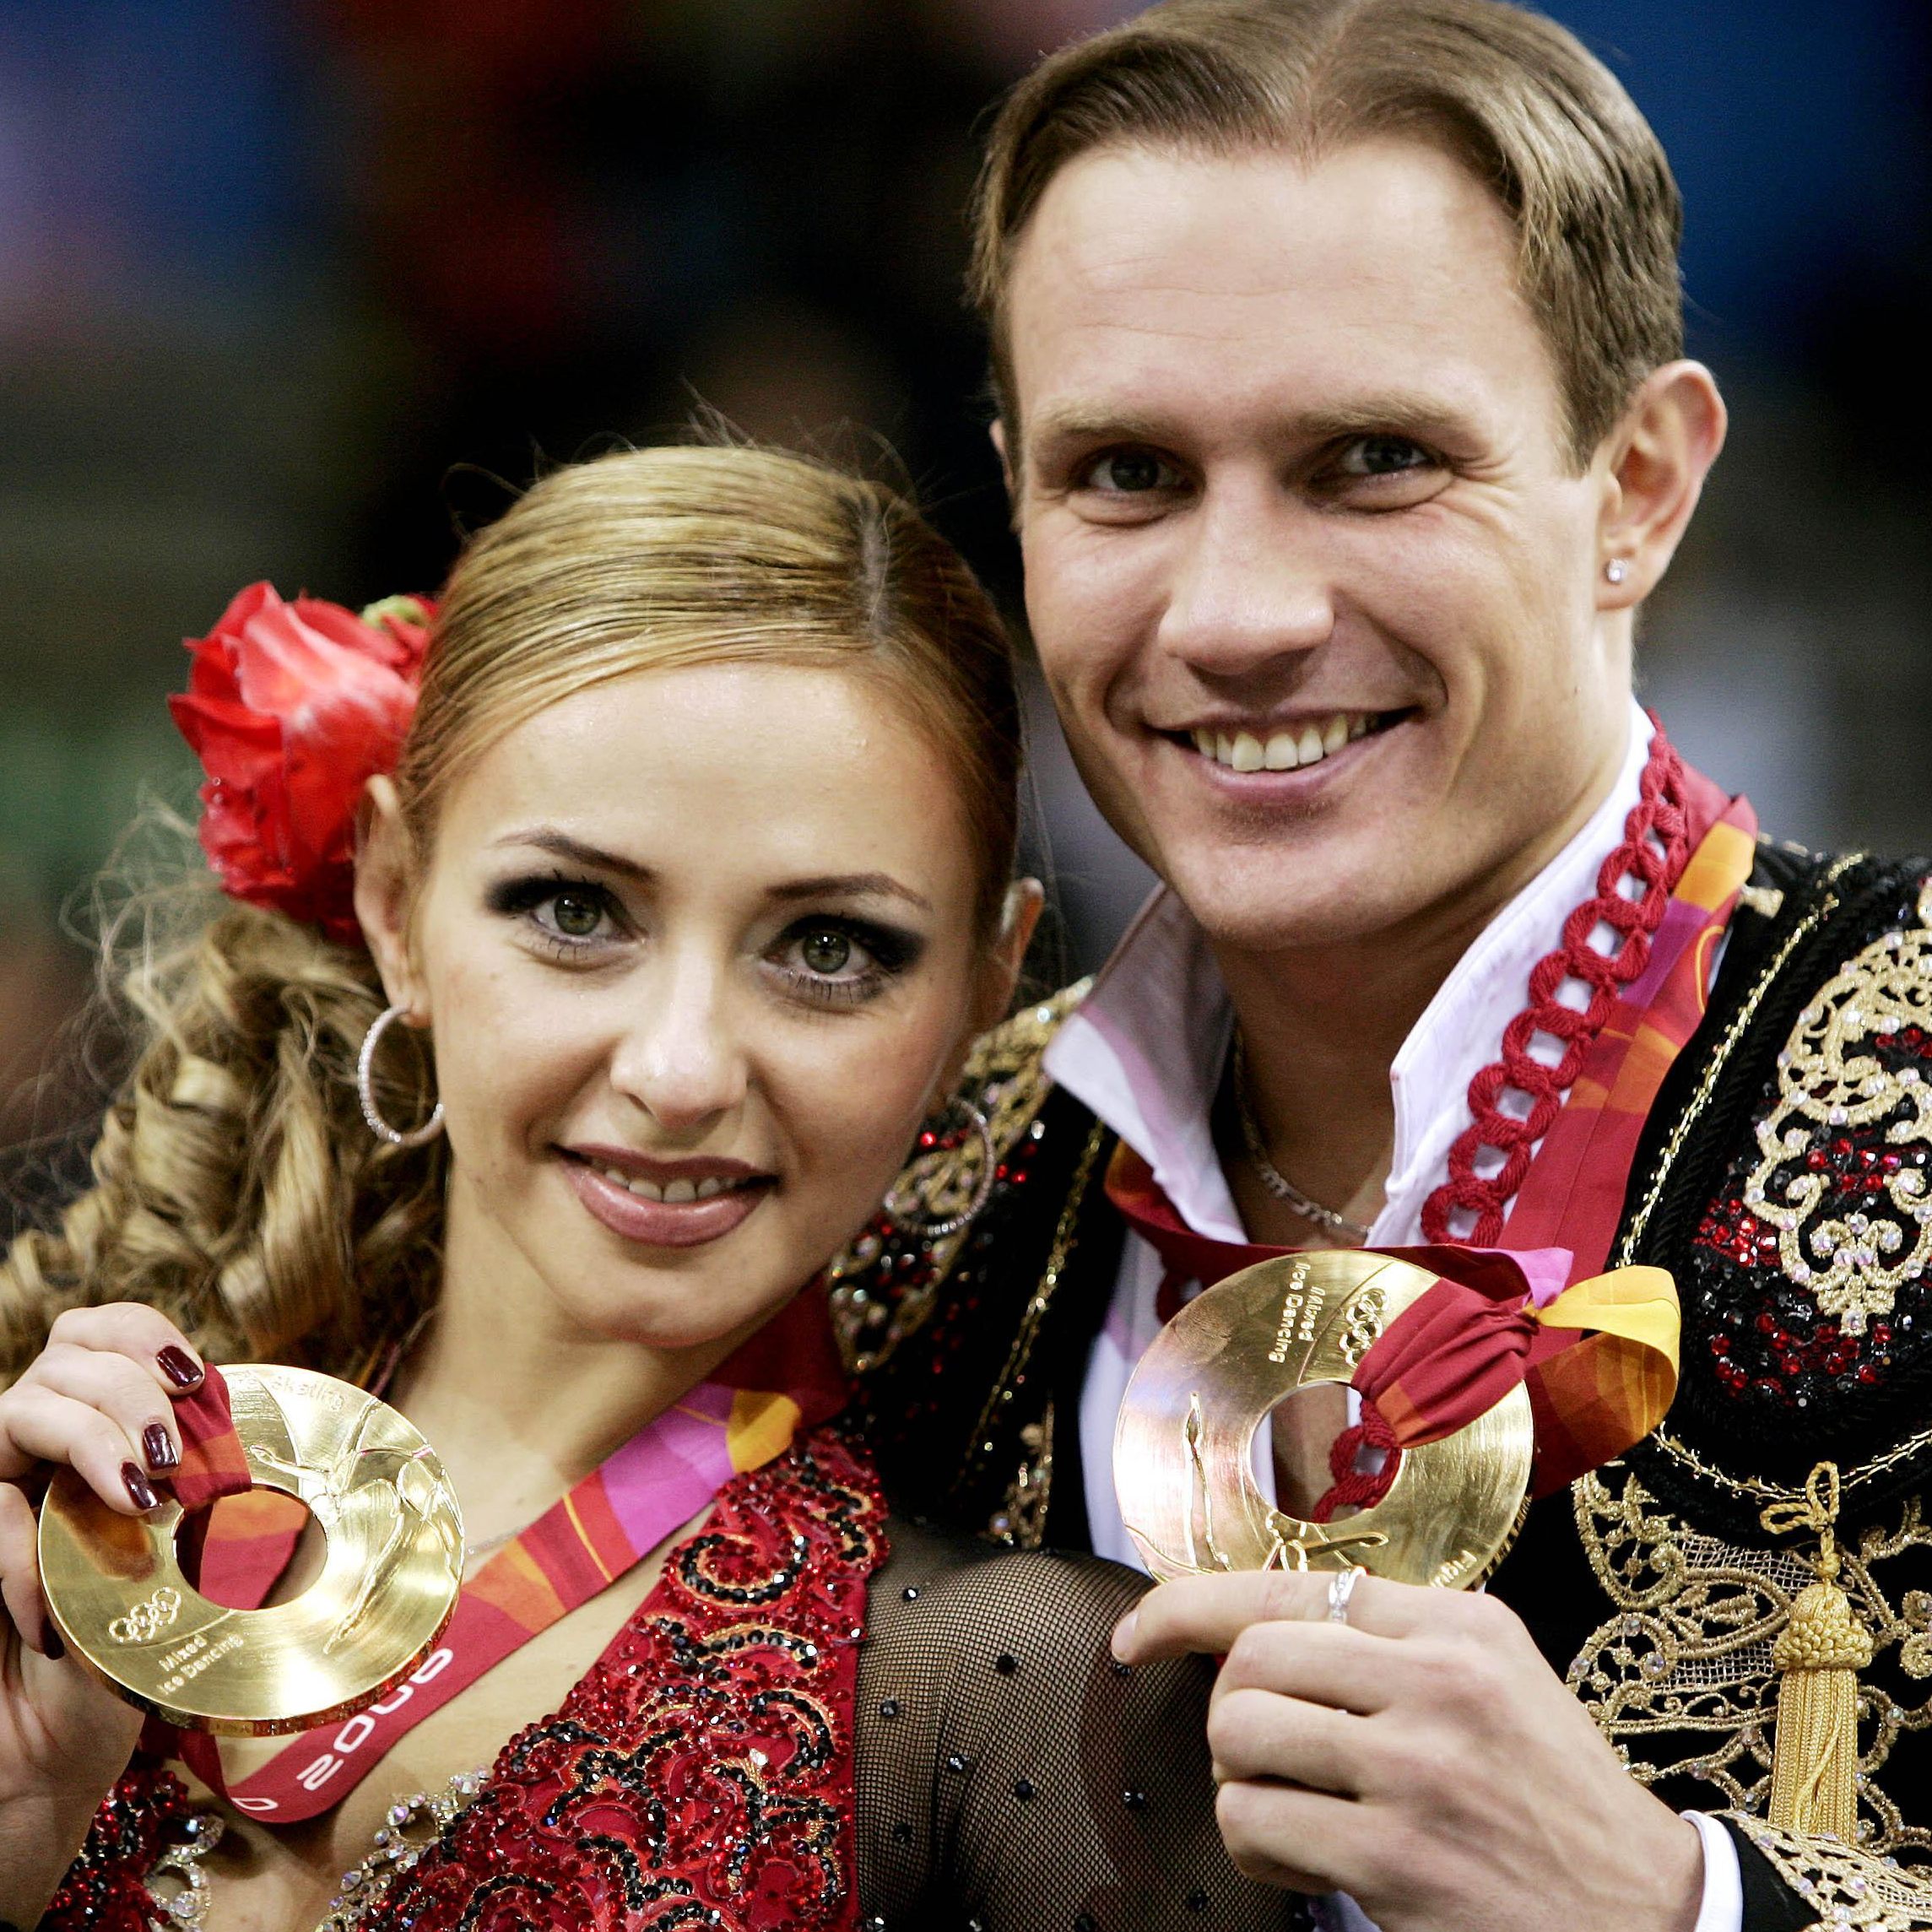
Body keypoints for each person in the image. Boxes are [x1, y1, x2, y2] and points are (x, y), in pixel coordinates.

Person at [836, 3, 1932, 1930]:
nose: (1237, 612)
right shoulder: (906, 1196)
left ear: (1639, 488)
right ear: (1008, 486)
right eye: (1122, 475)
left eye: (1369, 460)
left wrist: (1670, 1905)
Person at [0, 445, 1305, 1929]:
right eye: (574, 911)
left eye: (829, 948)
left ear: (980, 991)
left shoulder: (1019, 1703)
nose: (682, 1068)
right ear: (393, 904)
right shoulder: (62, 1514)